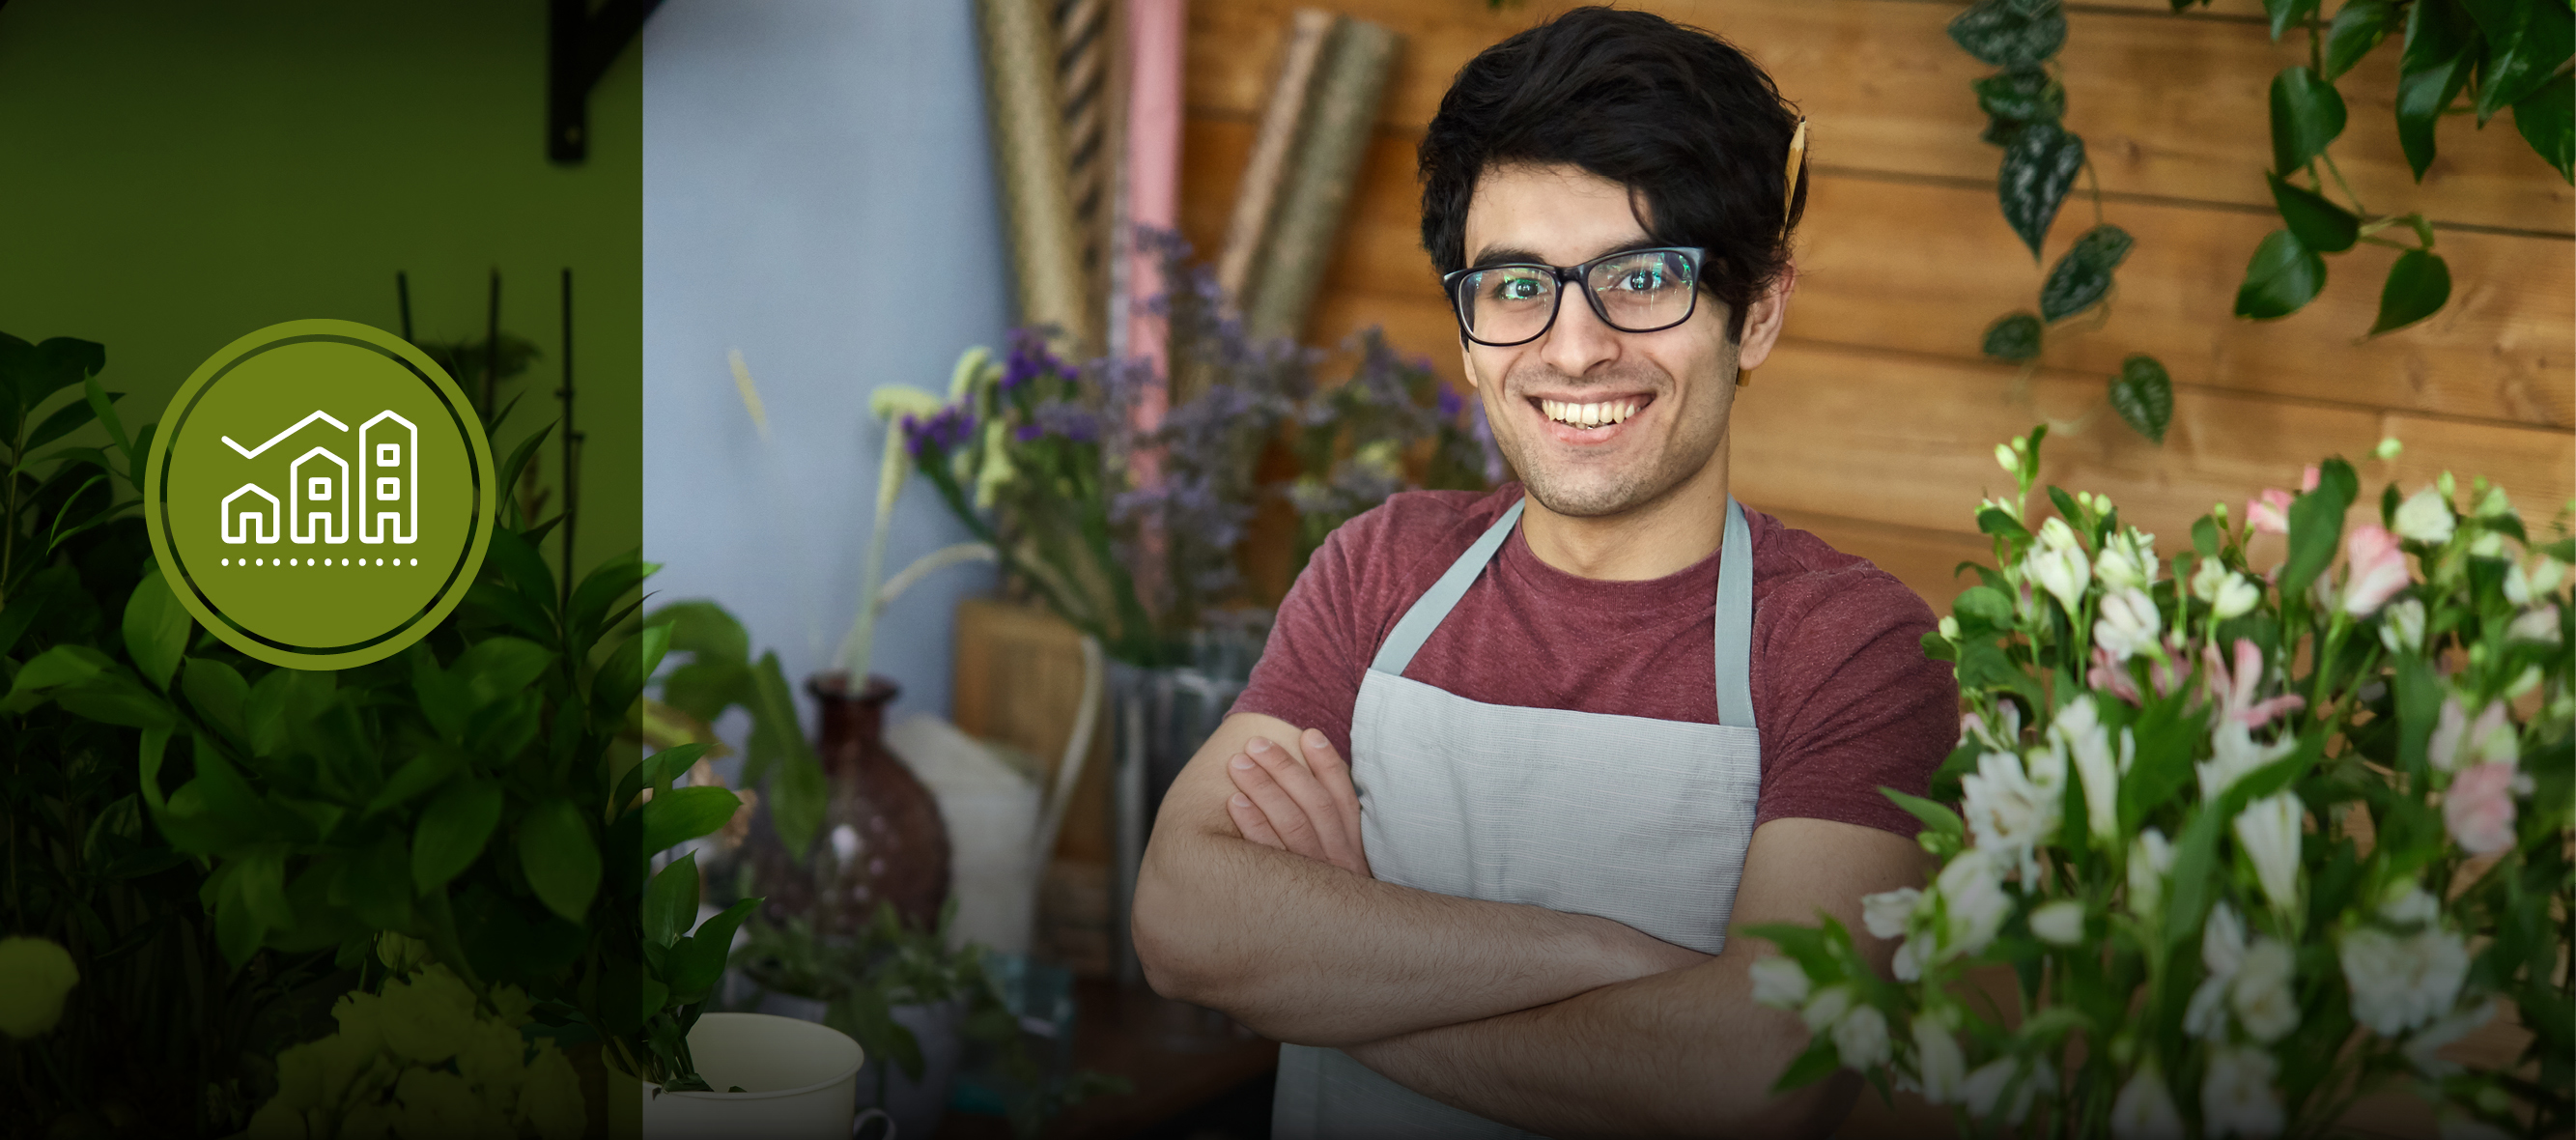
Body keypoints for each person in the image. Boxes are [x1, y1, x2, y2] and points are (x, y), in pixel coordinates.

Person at [1129, 9, 1960, 1136]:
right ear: (1468, 333)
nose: (1574, 348)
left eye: (1642, 277)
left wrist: (1335, 960)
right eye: (1516, 288)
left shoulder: (1848, 646)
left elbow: (1759, 1076)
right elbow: (1184, 917)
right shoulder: (1379, 573)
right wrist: (1614, 958)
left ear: (1755, 314)